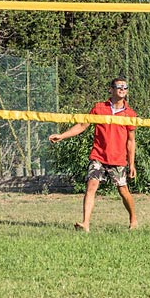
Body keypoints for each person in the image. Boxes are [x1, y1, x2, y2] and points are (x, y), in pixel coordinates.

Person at [49, 77, 137, 232]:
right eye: (119, 87)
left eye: (125, 87)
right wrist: (62, 135)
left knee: (123, 191)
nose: (122, 90)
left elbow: (131, 141)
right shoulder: (98, 108)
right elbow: (82, 125)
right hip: (98, 156)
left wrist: (131, 164)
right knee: (91, 186)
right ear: (111, 89)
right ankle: (85, 223)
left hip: (117, 159)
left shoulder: (130, 114)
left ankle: (133, 219)